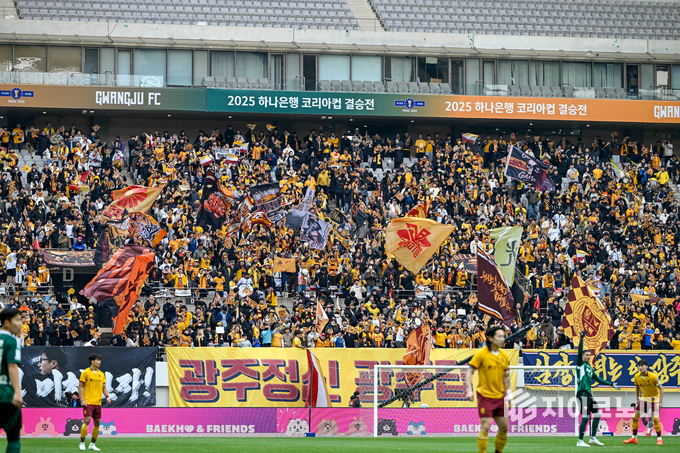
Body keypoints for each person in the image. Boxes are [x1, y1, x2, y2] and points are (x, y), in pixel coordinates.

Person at [464, 325, 510, 453]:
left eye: (503, 337)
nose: (502, 339)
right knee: (486, 425)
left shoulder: (504, 355)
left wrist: (509, 393)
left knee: (505, 427)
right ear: (490, 338)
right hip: (485, 396)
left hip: (500, 397)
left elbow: (506, 376)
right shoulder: (481, 354)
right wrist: (469, 390)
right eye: (499, 336)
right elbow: (469, 371)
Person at [575, 330, 620, 447]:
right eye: (586, 355)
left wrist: (611, 384)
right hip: (582, 393)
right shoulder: (580, 365)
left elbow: (598, 379)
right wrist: (581, 339)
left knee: (598, 414)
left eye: (589, 355)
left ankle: (593, 438)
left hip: (589, 394)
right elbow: (579, 352)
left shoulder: (589, 368)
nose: (588, 357)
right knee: (585, 417)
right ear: (582, 356)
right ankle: (580, 441)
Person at [623, 359, 663, 446]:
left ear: (646, 367)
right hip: (644, 399)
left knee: (655, 419)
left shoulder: (653, 377)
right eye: (639, 366)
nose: (640, 367)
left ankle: (659, 439)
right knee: (635, 417)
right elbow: (637, 387)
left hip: (655, 399)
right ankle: (634, 438)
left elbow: (661, 389)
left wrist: (660, 402)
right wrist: (638, 398)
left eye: (642, 366)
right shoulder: (637, 376)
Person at [0, 308, 23, 453]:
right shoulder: (12, 340)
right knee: (13, 438)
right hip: (5, 395)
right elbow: (12, 367)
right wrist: (17, 392)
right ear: (7, 323)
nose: (20, 324)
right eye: (18, 320)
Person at [78, 353, 111, 451]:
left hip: (98, 403)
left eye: (100, 360)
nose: (99, 362)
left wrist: (107, 397)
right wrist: (82, 400)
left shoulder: (102, 374)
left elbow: (104, 387)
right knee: (87, 421)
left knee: (97, 423)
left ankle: (92, 444)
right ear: (92, 361)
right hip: (88, 402)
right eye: (97, 360)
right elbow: (80, 387)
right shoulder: (86, 372)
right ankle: (82, 443)